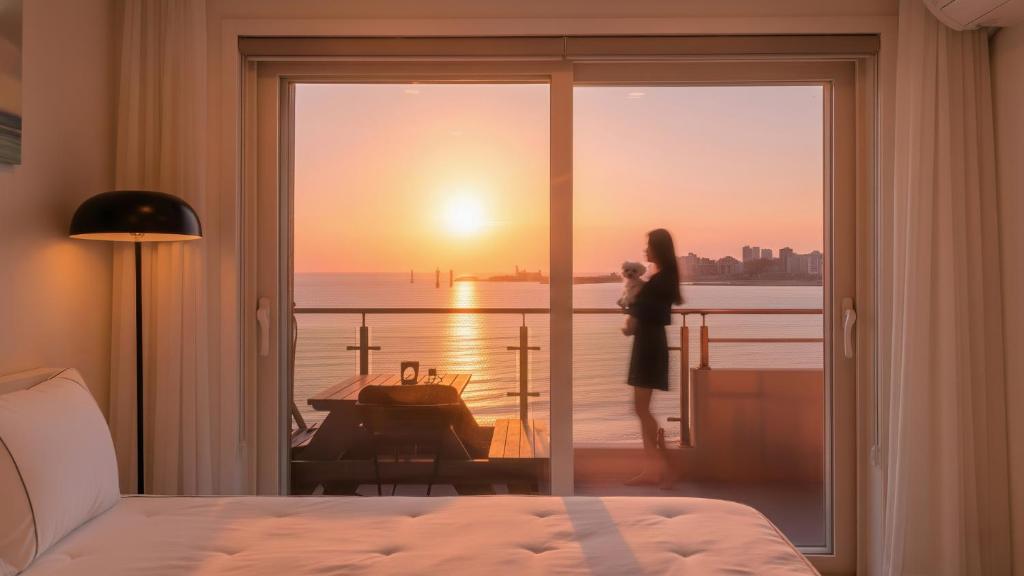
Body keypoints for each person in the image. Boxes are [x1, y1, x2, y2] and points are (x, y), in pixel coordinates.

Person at [623, 228, 683, 489]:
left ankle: (662, 467)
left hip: (647, 346)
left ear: (657, 249)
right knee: (642, 408)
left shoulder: (658, 283)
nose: (645, 251)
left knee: (641, 408)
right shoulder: (664, 279)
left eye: (648, 246)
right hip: (652, 343)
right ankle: (656, 468)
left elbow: (633, 325)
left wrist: (631, 318)